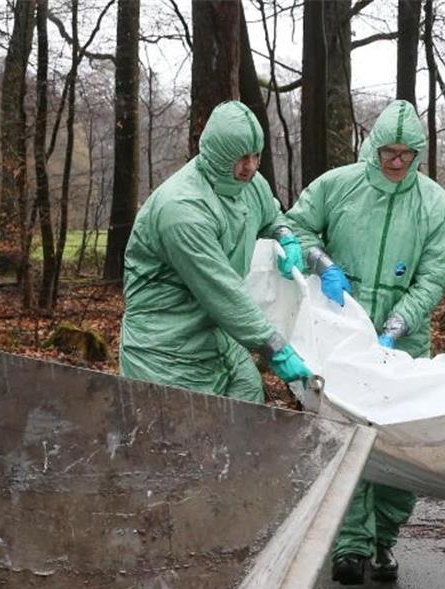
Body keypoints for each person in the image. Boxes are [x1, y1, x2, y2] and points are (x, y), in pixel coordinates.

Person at [287, 100, 445, 586]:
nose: (396, 161)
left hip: (404, 338)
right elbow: (294, 226)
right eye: (389, 151)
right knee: (346, 432)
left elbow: (432, 275)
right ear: (372, 146)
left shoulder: (434, 204)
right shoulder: (338, 187)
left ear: (419, 154)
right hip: (342, 331)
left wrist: (400, 322)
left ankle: (384, 538)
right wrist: (322, 264)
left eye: (407, 153)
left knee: (398, 441)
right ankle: (351, 546)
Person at [120, 100, 312, 401]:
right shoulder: (182, 209)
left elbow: (271, 215)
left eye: (255, 156)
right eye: (241, 158)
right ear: (217, 154)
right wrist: (275, 347)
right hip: (165, 348)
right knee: (181, 438)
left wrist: (285, 235)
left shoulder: (250, 185)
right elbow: (222, 291)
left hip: (218, 336)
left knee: (248, 412)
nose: (250, 166)